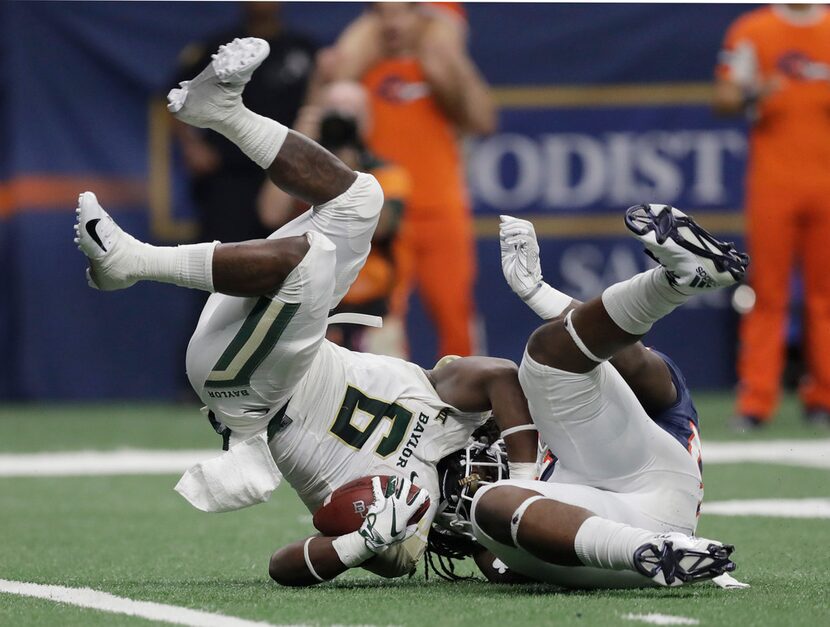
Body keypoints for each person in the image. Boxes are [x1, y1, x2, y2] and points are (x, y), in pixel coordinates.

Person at [74, 38, 537, 583]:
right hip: (265, 337)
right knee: (358, 201)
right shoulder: (451, 407)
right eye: (491, 474)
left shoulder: (404, 532)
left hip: (248, 392)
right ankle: (223, 112)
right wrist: (527, 481)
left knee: (311, 262)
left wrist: (361, 544)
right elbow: (502, 376)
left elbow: (283, 567)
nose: (478, 481)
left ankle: (135, 262)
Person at [429, 206, 748, 588]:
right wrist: (472, 534)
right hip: (626, 542)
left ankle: (679, 281)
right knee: (490, 504)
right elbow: (512, 568)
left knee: (545, 358)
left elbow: (629, 359)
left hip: (651, 483)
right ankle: (657, 551)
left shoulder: (647, 396)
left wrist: (539, 294)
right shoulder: (540, 465)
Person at [321, 2, 497, 360]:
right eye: (382, 13)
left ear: (423, 18)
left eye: (403, 11)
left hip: (440, 209)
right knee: (379, 318)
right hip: (384, 216)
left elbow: (483, 121)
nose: (392, 23)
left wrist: (450, 63)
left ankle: (474, 405)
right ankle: (389, 403)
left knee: (454, 312)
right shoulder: (356, 75)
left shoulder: (439, 70)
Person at [713, 4, 830, 430]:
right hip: (775, 181)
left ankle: (823, 398)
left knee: (824, 294)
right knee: (767, 291)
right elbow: (724, 96)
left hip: (825, 179)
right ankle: (757, 399)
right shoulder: (754, 29)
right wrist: (753, 92)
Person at [257, 80, 411, 353]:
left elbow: (382, 228)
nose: (341, 120)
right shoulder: (298, 171)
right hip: (308, 304)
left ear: (367, 121)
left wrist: (345, 174)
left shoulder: (387, 172)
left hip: (372, 309)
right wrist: (292, 146)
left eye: (350, 113)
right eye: (334, 111)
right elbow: (270, 213)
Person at [173, 2, 317, 243]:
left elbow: (317, 99)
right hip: (228, 174)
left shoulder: (303, 49)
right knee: (224, 257)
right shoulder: (221, 49)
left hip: (285, 169)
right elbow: (177, 97)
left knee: (286, 258)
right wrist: (192, 146)